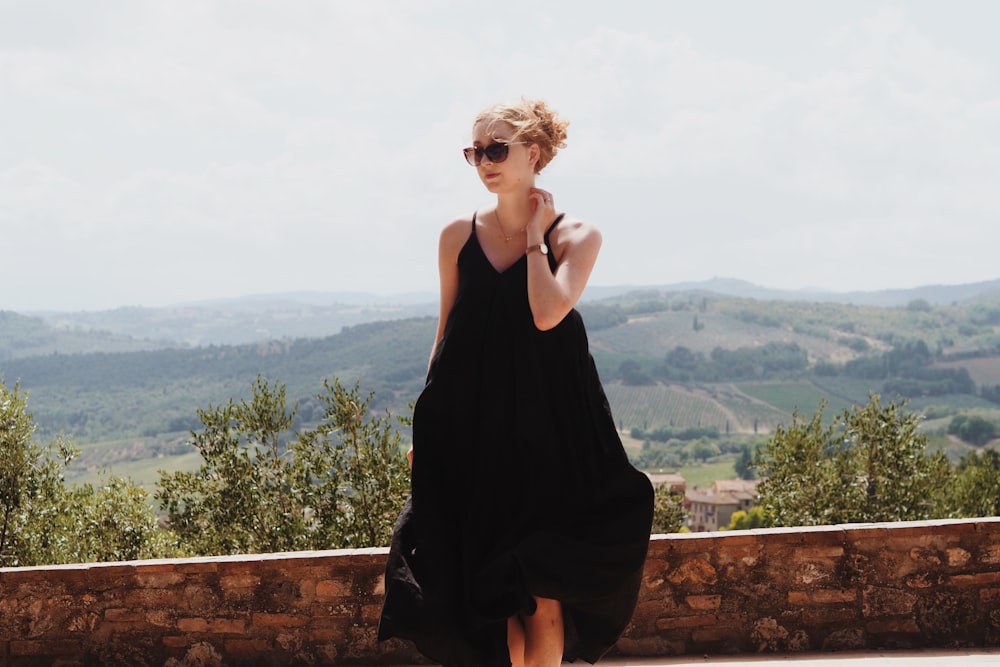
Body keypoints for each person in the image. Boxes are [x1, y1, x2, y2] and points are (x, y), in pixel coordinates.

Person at [378, 98, 654, 667]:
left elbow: (547, 311)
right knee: (489, 589)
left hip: (552, 437)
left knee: (542, 595)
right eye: (475, 151)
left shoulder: (577, 235)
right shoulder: (456, 235)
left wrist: (534, 237)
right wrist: (426, 430)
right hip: (475, 433)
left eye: (497, 149)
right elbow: (445, 335)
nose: (484, 161)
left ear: (534, 154)